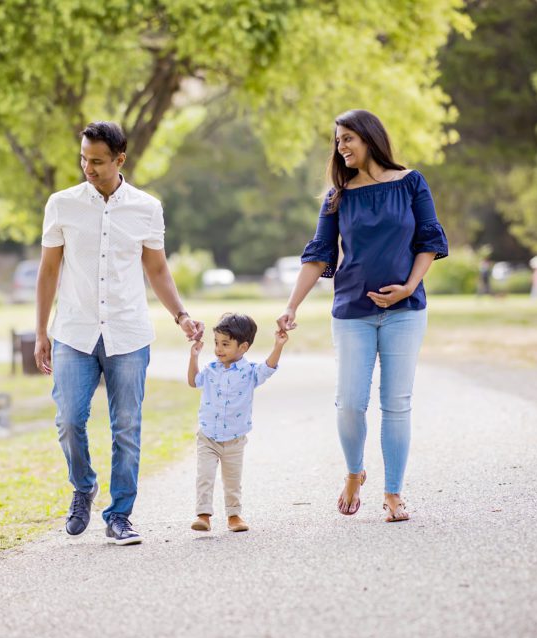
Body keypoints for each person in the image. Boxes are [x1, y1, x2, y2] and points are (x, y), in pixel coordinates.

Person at [35, 121, 205, 546]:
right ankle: (83, 487)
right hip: (73, 331)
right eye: (83, 159)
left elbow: (157, 269)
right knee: (69, 420)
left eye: (96, 161)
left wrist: (181, 315)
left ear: (120, 160)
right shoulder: (61, 204)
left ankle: (120, 515)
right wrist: (40, 331)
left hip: (128, 333)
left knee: (126, 427)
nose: (87, 168)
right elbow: (49, 270)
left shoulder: (146, 208)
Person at [276, 109, 448, 522]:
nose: (341, 147)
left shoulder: (411, 183)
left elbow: (429, 239)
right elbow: (319, 254)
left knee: (396, 403)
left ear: (369, 138)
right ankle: (355, 472)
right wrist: (291, 305)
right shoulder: (338, 196)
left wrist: (409, 286)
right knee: (350, 403)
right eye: (337, 141)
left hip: (405, 311)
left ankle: (393, 493)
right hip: (352, 311)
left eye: (348, 138)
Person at [187, 313, 288, 533]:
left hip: (234, 439)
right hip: (208, 436)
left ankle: (234, 516)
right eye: (216, 343)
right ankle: (203, 515)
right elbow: (193, 382)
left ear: (243, 347)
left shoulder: (250, 372)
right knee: (205, 476)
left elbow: (269, 367)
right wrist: (194, 356)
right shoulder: (211, 369)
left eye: (225, 344)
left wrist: (278, 345)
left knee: (232, 480)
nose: (218, 349)